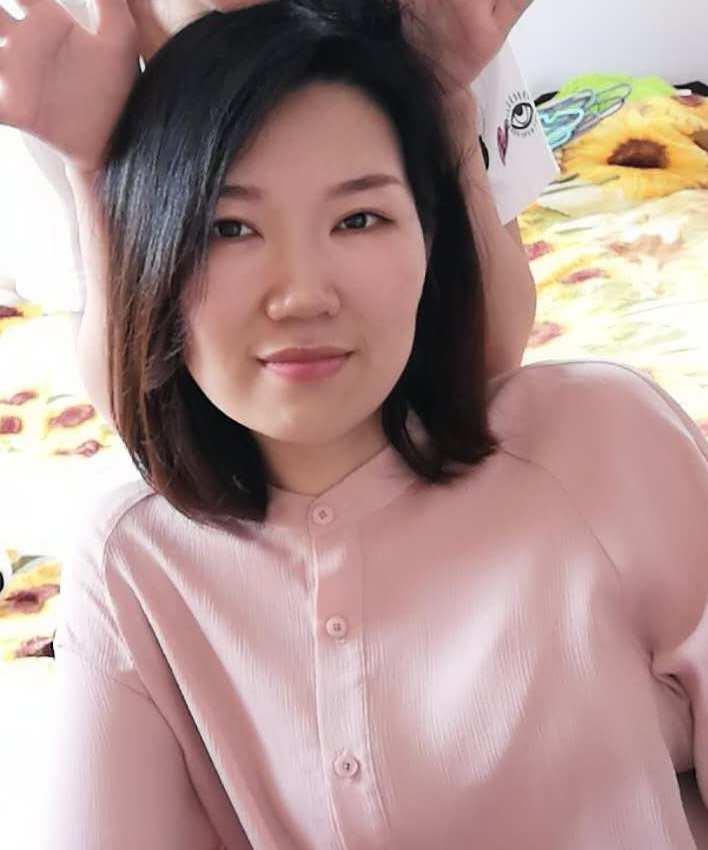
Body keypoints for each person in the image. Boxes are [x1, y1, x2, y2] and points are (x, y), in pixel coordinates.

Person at [2, 1, 707, 849]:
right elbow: (152, 401)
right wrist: (98, 168)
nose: (301, 294)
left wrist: (447, 100)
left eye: (359, 219)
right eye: (228, 228)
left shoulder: (597, 446)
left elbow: (482, 349)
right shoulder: (134, 567)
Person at [8, 0, 555, 394]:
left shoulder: (437, 15)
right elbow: (130, 403)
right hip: (220, 479)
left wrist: (444, 98)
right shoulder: (67, 50)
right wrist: (97, 167)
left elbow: (493, 361)